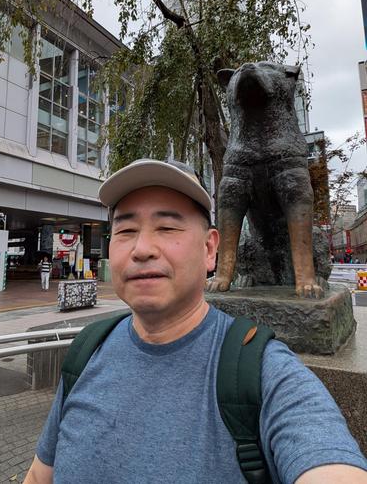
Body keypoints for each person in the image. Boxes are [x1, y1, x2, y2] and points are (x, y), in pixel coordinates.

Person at [24, 159, 367, 484]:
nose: (142, 248)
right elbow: (40, 475)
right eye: (126, 230)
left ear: (209, 249)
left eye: (167, 226)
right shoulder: (88, 351)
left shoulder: (266, 374)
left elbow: (327, 461)